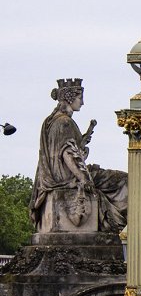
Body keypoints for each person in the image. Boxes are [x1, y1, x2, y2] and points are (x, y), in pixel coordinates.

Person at [30, 78, 128, 234]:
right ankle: (127, 226)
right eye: (80, 98)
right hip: (67, 178)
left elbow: (64, 152)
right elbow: (68, 153)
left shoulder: (50, 121)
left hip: (56, 177)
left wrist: (81, 144)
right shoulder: (64, 122)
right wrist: (84, 178)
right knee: (123, 180)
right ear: (70, 98)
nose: (82, 103)